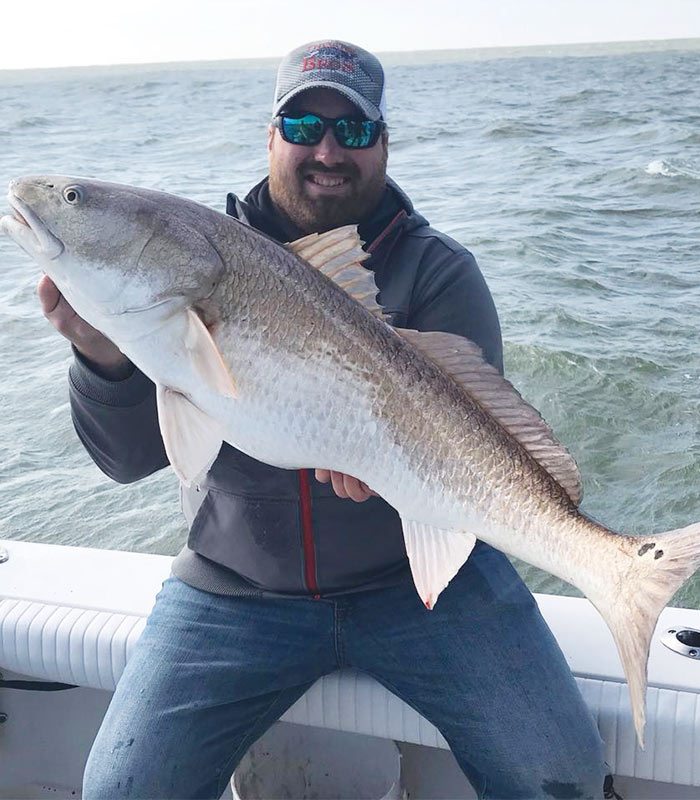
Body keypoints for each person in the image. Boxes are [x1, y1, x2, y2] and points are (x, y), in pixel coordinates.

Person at [40, 39, 606, 799]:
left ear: (383, 141)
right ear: (270, 136)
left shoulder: (439, 271)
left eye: (355, 130)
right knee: (122, 789)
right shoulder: (192, 263)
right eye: (303, 128)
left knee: (560, 777)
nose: (328, 150)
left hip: (420, 589)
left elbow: (475, 446)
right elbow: (127, 458)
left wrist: (395, 467)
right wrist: (104, 359)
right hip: (237, 586)